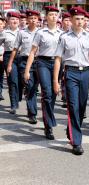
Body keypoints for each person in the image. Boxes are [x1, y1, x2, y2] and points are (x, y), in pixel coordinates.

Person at [53, 7, 89, 155]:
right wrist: (55, 80)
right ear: (71, 21)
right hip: (71, 73)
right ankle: (76, 142)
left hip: (86, 73)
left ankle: (72, 129)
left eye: (82, 19)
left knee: (81, 107)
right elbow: (58, 59)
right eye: (77, 19)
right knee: (73, 106)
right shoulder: (64, 37)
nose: (80, 22)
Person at [24, 6, 62, 140]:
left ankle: (48, 118)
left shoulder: (61, 34)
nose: (53, 17)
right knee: (46, 91)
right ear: (46, 17)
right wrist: (27, 70)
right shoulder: (40, 33)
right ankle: (48, 125)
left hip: (57, 63)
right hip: (42, 63)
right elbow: (33, 52)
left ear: (58, 17)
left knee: (54, 92)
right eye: (50, 15)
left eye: (55, 15)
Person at [7, 10, 40, 124]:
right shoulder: (22, 33)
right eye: (30, 18)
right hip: (24, 61)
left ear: (38, 20)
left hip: (39, 62)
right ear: (27, 20)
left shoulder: (41, 32)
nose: (33, 20)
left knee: (34, 88)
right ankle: (32, 113)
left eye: (35, 18)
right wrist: (10, 64)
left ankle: (30, 107)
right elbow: (15, 49)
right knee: (30, 86)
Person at [0, 12, 21, 114]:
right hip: (9, 57)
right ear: (8, 21)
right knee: (12, 80)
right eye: (12, 19)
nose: (14, 21)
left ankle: (18, 97)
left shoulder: (22, 32)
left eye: (16, 19)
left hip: (21, 57)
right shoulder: (4, 33)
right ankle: (14, 104)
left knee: (20, 81)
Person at [0, 17, 5, 101]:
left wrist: (2, 54)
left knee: (0, 76)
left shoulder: (6, 33)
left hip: (2, 57)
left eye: (0, 24)